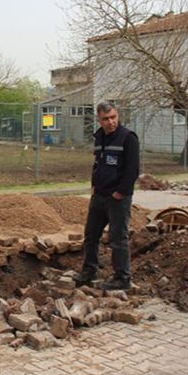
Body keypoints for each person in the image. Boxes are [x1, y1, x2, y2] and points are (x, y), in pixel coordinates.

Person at [75, 101, 140, 291]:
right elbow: (98, 164)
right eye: (106, 119)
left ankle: (122, 278)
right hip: (99, 196)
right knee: (91, 235)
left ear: (117, 115)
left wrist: (120, 192)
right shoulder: (100, 137)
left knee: (118, 238)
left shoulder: (128, 138)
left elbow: (133, 170)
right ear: (99, 120)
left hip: (117, 198)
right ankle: (89, 271)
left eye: (113, 117)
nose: (110, 122)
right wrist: (94, 186)